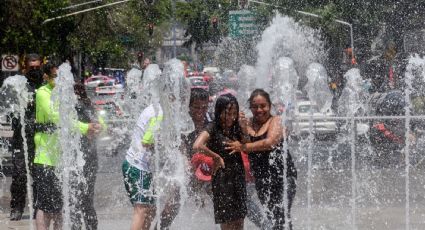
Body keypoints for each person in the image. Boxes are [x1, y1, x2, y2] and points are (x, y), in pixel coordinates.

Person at [33, 62, 100, 230]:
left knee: (60, 206)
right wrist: (85, 128)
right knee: (44, 205)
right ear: (46, 77)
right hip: (46, 157)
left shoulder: (66, 94)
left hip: (63, 159)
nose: (59, 80)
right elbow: (56, 116)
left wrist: (94, 127)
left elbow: (72, 119)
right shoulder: (42, 93)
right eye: (55, 76)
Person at [226, 89, 297, 230]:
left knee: (281, 215)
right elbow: (241, 141)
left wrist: (243, 147)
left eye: (263, 106)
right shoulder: (248, 123)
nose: (259, 110)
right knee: (273, 216)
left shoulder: (276, 121)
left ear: (270, 106)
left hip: (283, 177)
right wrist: (243, 128)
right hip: (262, 179)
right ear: (250, 107)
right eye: (255, 106)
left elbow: (269, 143)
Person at [193, 93, 247, 230]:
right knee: (228, 224)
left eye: (234, 113)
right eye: (227, 113)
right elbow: (197, 145)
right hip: (222, 181)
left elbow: (247, 146)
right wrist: (216, 157)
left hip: (238, 179)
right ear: (219, 111)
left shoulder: (236, 127)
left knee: (240, 222)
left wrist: (244, 127)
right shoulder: (213, 127)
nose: (231, 117)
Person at [9, 53, 44, 221]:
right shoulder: (18, 86)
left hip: (40, 139)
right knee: (19, 174)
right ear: (25, 67)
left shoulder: (45, 85)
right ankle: (16, 207)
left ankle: (39, 208)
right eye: (32, 68)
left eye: (38, 67)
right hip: (20, 139)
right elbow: (8, 109)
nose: (35, 70)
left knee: (39, 175)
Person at [70, 83, 100, 230]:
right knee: (86, 198)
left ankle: (78, 227)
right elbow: (100, 125)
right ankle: (91, 226)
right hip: (89, 157)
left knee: (75, 198)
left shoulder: (75, 107)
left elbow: (99, 125)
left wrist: (93, 128)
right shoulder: (88, 105)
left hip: (79, 157)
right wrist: (95, 128)